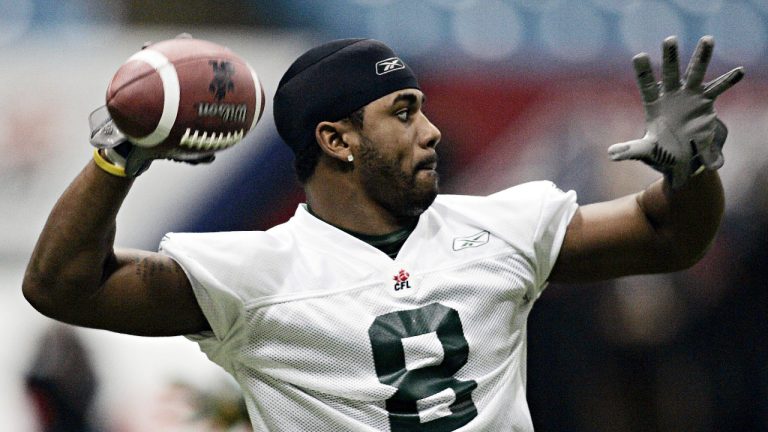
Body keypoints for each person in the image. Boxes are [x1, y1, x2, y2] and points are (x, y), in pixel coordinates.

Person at [22, 36, 743, 431]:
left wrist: (692, 171)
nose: (431, 131)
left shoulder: (501, 225)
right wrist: (119, 156)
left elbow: (668, 236)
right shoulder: (255, 271)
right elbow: (59, 286)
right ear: (337, 140)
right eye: (403, 112)